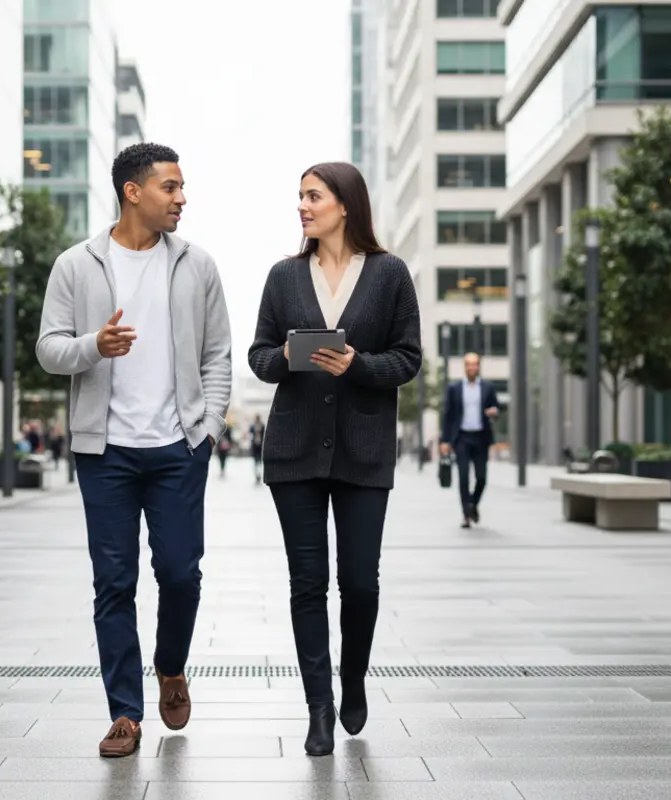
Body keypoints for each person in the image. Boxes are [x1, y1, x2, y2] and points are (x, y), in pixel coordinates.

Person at [36, 142, 232, 758]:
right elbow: (48, 348)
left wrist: (211, 428)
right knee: (113, 583)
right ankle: (125, 712)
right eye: (170, 187)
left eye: (180, 188)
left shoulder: (197, 265)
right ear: (133, 191)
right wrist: (94, 344)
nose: (181, 198)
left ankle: (170, 665)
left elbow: (218, 353)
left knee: (180, 573)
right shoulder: (77, 264)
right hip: (106, 453)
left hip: (179, 447)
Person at [247, 162, 421, 756]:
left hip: (365, 451)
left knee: (360, 583)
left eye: (312, 195)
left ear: (344, 204)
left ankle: (353, 679)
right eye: (299, 196)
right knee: (307, 584)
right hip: (294, 451)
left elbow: (408, 358)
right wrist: (295, 357)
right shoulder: (284, 276)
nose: (302, 205)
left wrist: (360, 366)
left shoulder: (390, 273)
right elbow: (259, 356)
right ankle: (318, 707)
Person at [441, 352, 500, 528]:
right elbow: (448, 416)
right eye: (469, 364)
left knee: (482, 478)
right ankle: (466, 515)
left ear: (479, 366)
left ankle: (473, 504)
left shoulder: (488, 387)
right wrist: (445, 441)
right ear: (465, 367)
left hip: (481, 438)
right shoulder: (455, 388)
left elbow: (496, 408)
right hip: (462, 438)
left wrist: (494, 412)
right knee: (464, 478)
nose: (472, 367)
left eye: (475, 364)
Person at [248, 414, 266, 484]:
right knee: (255, 461)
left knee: (260, 461)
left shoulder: (262, 426)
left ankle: (259, 474)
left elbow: (264, 435)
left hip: (261, 446)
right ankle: (256, 475)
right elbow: (250, 435)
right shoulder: (252, 426)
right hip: (255, 446)